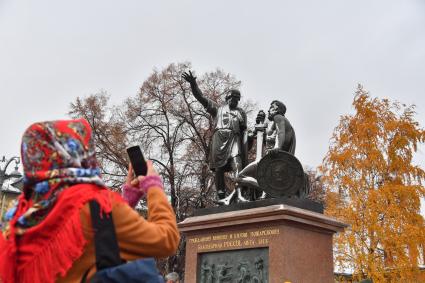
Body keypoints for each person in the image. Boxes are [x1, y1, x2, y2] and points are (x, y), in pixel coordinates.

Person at [0, 119, 180, 283]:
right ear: (76, 151)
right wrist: (154, 187)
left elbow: (100, 238)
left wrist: (127, 201)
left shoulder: (16, 218)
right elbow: (167, 240)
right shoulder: (92, 203)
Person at [182, 70, 248, 205]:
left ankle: (239, 194)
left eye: (236, 98)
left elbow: (244, 132)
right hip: (219, 138)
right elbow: (201, 97)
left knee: (237, 164)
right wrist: (193, 84)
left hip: (234, 139)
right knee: (219, 168)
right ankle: (221, 196)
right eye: (231, 98)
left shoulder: (241, 112)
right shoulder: (218, 109)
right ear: (227, 98)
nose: (234, 100)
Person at [237, 100, 296, 193]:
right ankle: (267, 190)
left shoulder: (278, 117)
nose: (268, 110)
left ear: (278, 109)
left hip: (272, 159)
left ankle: (266, 189)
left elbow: (281, 133)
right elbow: (267, 141)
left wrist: (277, 147)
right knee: (240, 177)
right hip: (271, 160)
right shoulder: (273, 126)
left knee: (240, 177)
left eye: (271, 107)